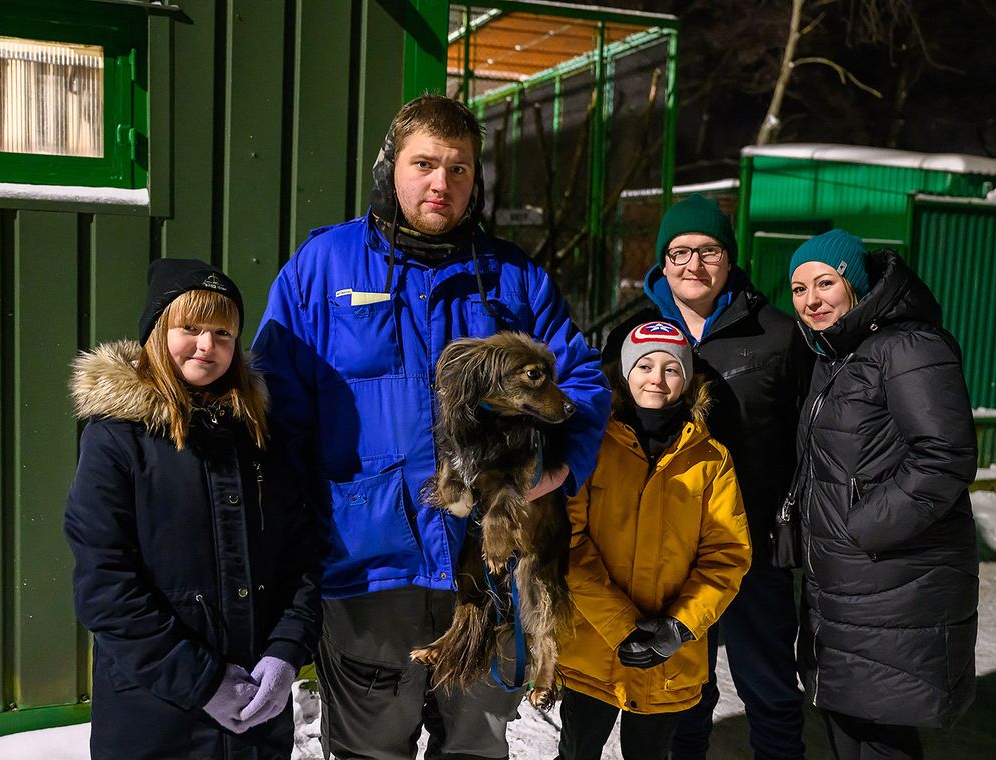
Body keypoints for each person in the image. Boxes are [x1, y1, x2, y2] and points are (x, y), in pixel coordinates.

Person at [252, 94, 610, 760]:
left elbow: (582, 384)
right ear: (392, 166)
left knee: (475, 745)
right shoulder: (322, 267)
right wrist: (302, 530)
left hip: (486, 565)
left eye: (459, 168)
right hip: (366, 563)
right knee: (368, 749)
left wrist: (559, 471)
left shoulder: (515, 279)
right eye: (425, 164)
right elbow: (276, 410)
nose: (441, 183)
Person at [64, 259, 322, 760]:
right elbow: (105, 586)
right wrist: (202, 682)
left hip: (254, 721)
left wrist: (286, 652)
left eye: (223, 332)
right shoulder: (116, 438)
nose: (208, 345)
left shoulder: (258, 438)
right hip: (157, 722)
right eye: (190, 328)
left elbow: (301, 559)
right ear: (158, 331)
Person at [603, 194, 809, 759]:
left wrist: (792, 516)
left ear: (729, 257)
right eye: (680, 251)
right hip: (666, 551)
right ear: (662, 262)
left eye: (709, 250)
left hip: (754, 547)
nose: (694, 265)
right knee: (682, 690)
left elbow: (809, 434)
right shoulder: (632, 336)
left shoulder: (776, 335)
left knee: (767, 685)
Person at [787, 229, 978, 759]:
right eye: (799, 289)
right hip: (848, 580)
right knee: (853, 725)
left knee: (878, 732)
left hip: (888, 578)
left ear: (858, 285)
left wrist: (863, 527)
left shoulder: (907, 345)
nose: (811, 300)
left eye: (826, 283)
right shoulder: (840, 354)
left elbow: (945, 454)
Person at [556, 322, 752, 760]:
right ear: (625, 374)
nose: (657, 379)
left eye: (671, 368)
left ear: (687, 378)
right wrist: (619, 624)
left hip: (669, 655)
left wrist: (680, 626)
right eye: (644, 366)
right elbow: (567, 543)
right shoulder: (595, 446)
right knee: (576, 750)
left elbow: (727, 555)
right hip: (593, 642)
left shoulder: (711, 459)